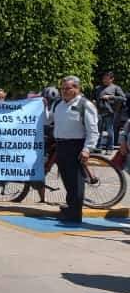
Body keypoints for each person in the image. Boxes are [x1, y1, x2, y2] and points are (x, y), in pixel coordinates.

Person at [51, 75, 99, 223]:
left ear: (77, 89)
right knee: (67, 180)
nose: (64, 91)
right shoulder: (58, 104)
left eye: (68, 88)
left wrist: (87, 149)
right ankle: (70, 207)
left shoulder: (85, 105)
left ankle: (75, 214)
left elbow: (93, 130)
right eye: (63, 88)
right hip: (61, 146)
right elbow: (49, 118)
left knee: (76, 182)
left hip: (76, 146)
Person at [92, 71, 125, 150]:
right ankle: (98, 147)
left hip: (110, 112)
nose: (105, 80)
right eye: (104, 79)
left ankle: (109, 148)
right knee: (98, 131)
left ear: (112, 79)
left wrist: (110, 97)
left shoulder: (116, 88)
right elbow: (93, 97)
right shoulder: (98, 88)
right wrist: (93, 101)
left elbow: (123, 98)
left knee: (110, 131)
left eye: (107, 79)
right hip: (99, 112)